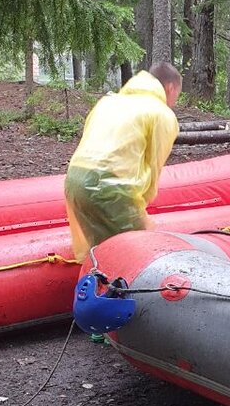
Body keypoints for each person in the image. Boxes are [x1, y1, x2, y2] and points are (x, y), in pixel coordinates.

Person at [65, 63, 183, 261]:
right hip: (110, 187)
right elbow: (154, 166)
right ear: (170, 88)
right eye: (176, 96)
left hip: (74, 180)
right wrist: (139, 211)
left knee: (98, 253)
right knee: (137, 257)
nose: (173, 102)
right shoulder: (160, 113)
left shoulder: (109, 102)